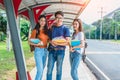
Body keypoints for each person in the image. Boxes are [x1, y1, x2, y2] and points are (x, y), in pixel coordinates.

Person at [47, 11, 70, 80]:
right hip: (51, 51)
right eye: (57, 18)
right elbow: (48, 39)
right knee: (49, 70)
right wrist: (51, 42)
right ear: (55, 18)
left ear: (63, 18)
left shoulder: (66, 29)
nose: (58, 19)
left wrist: (57, 43)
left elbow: (67, 42)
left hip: (60, 52)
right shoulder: (52, 28)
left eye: (60, 18)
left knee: (59, 70)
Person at [28, 15, 49, 80]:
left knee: (42, 70)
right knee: (40, 70)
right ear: (38, 21)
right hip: (38, 51)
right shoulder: (35, 31)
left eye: (44, 21)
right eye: (41, 20)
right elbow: (30, 42)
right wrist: (37, 44)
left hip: (45, 51)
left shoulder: (46, 31)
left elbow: (48, 40)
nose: (43, 22)